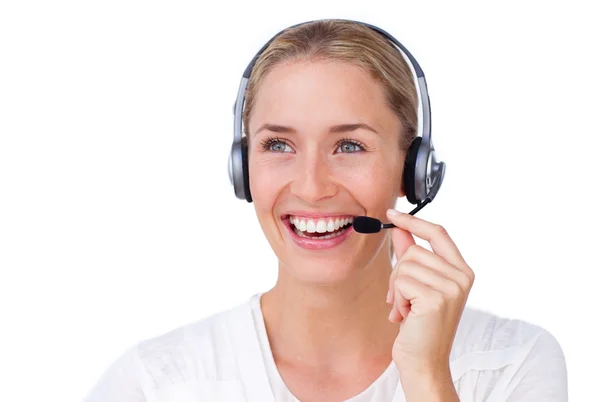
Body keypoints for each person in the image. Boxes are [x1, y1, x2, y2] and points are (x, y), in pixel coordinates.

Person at [83, 19, 568, 402]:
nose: (312, 187)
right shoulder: (158, 383)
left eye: (350, 146)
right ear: (241, 168)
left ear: (414, 169)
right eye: (278, 144)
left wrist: (426, 378)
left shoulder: (510, 365)